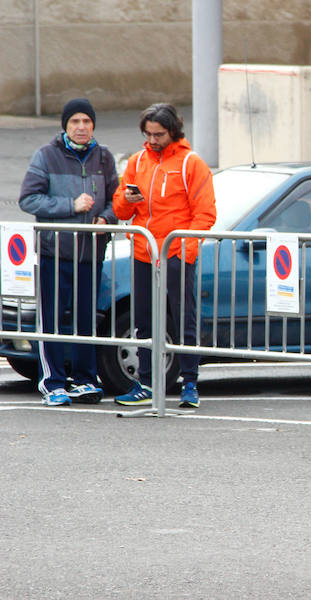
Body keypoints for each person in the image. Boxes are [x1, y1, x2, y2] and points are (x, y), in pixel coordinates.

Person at [111, 103, 216, 409]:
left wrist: (185, 249)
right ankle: (144, 382)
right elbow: (120, 209)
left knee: (184, 319)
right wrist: (127, 200)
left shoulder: (191, 163)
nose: (153, 139)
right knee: (143, 319)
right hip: (144, 252)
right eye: (149, 134)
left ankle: (190, 383)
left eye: (159, 134)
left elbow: (205, 213)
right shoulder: (137, 161)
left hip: (176, 252)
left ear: (173, 132)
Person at [19, 98, 118, 406]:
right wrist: (70, 206)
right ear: (65, 126)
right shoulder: (46, 156)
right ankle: (53, 382)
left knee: (86, 320)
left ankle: (85, 380)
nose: (81, 127)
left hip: (90, 253)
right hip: (55, 252)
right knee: (52, 318)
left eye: (86, 122)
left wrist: (107, 218)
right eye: (75, 122)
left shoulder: (103, 157)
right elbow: (29, 199)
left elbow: (117, 200)